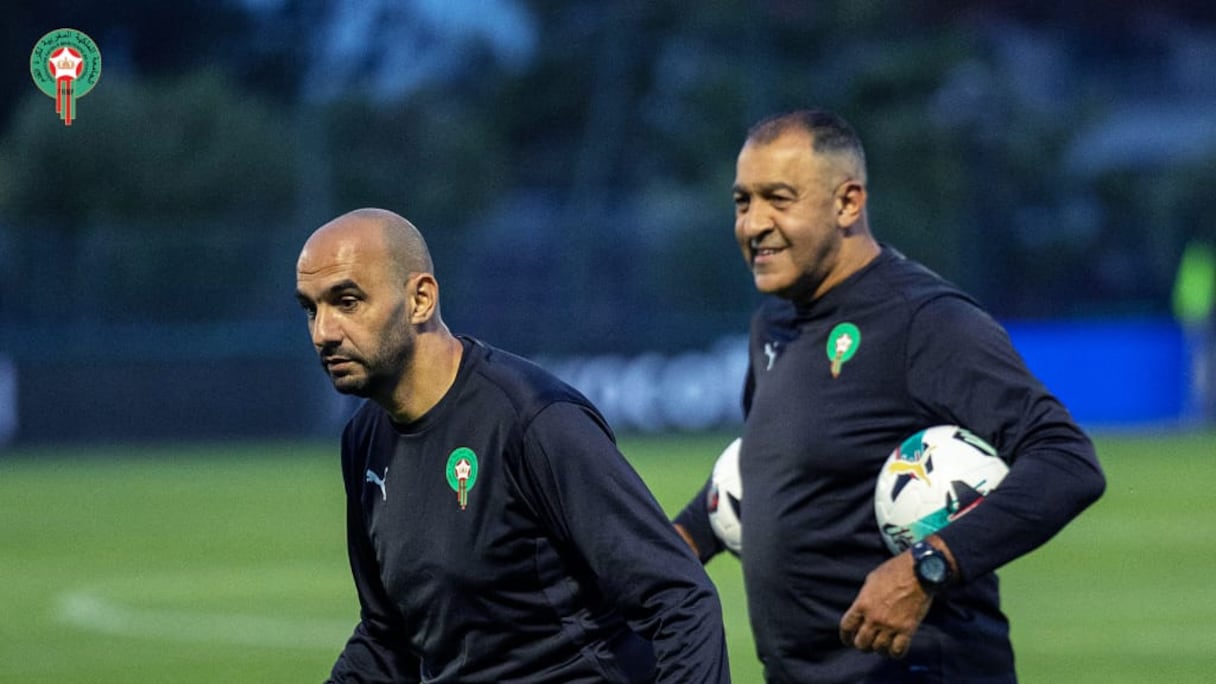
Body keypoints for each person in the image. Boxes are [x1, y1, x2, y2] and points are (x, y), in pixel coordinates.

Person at [674, 110, 1106, 682]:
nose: (754, 224)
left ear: (847, 203)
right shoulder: (773, 325)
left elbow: (1066, 462)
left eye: (778, 199)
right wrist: (672, 545)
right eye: (742, 202)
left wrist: (927, 567)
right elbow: (767, 466)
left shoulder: (924, 321)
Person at [295, 208, 730, 683]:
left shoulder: (534, 421)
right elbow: (387, 637)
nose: (323, 333)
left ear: (420, 299)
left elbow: (681, 601)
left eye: (347, 302)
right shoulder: (364, 441)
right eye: (311, 309)